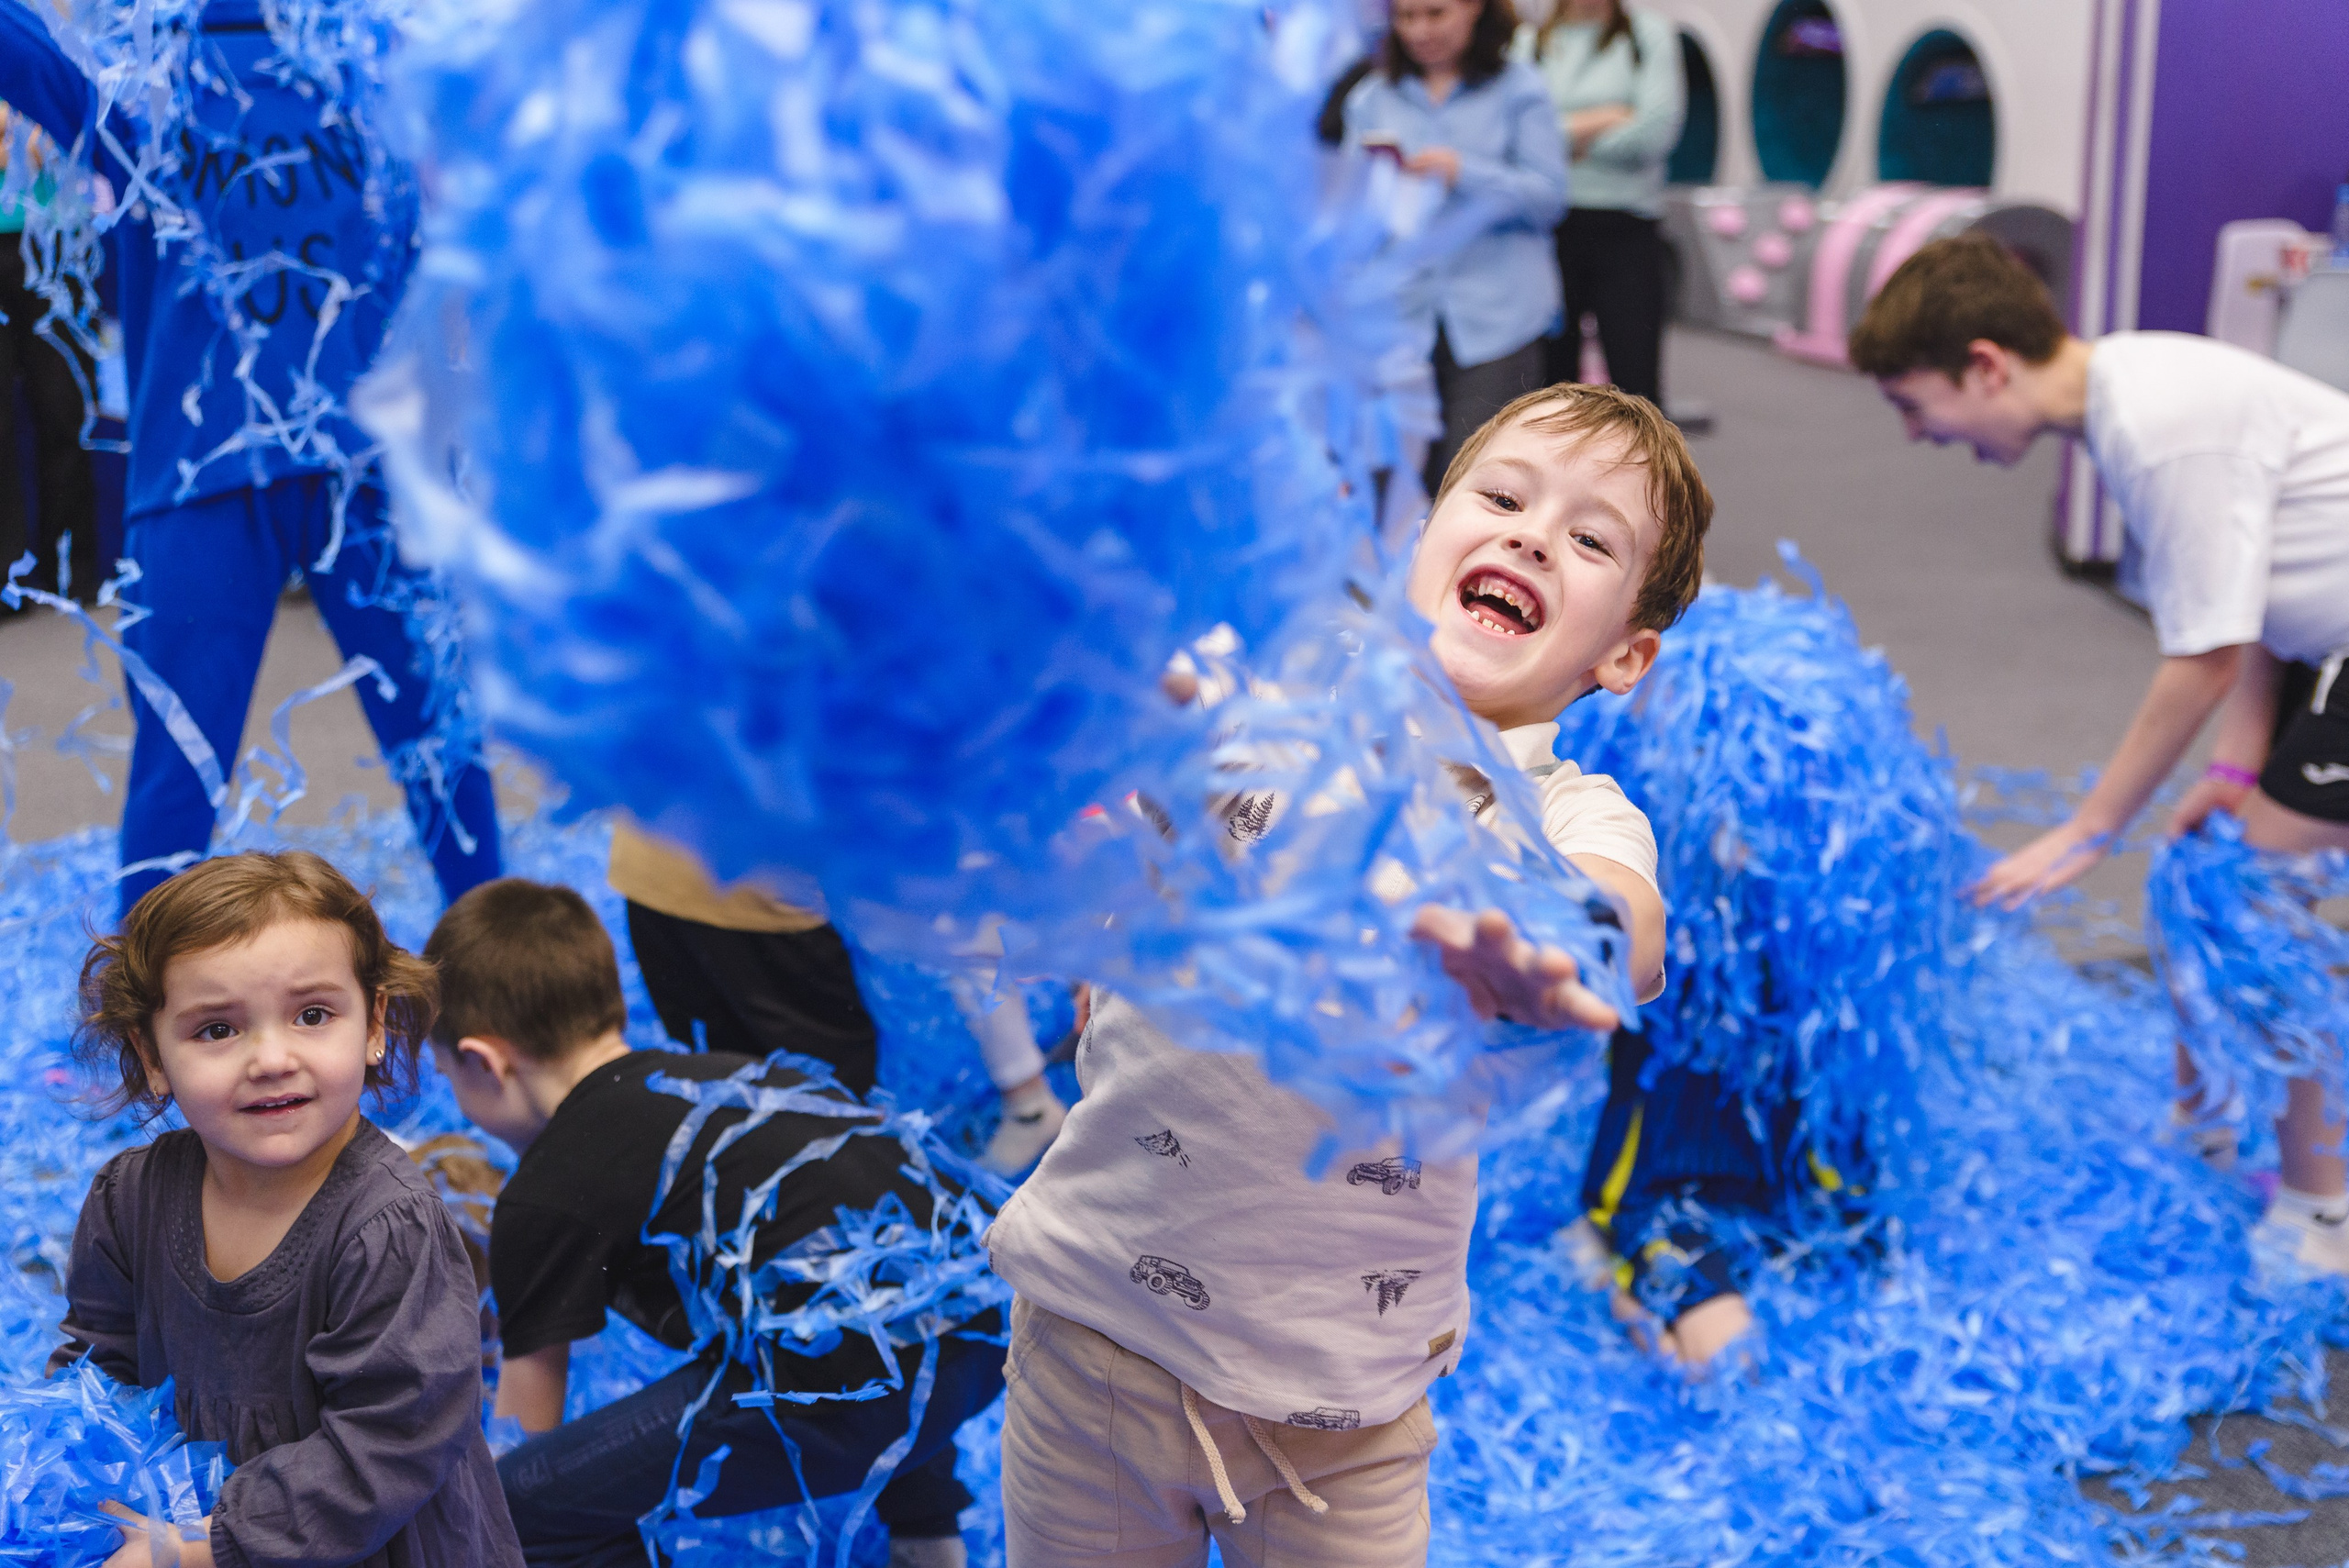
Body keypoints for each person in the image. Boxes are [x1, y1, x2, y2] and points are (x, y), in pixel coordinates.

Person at [986, 382, 1710, 1565]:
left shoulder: (1564, 815)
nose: (1532, 534)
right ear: (1421, 535)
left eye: (1590, 540)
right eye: (1503, 496)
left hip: (1349, 1411)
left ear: (1626, 652)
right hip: (1102, 1337)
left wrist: (1544, 940)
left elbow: (1626, 922)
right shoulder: (1258, 699)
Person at [1849, 233, 2349, 1268]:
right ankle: (2207, 1122)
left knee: (2256, 904)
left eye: (1914, 403)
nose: (1913, 434)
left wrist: (2087, 830)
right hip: (2317, 640)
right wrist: (2228, 772)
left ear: (1986, 365)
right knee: (2202, 870)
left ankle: (2321, 1204)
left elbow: (2202, 657)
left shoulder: (2155, 423)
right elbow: (2248, 608)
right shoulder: (2131, 401)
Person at [0, 2, 501, 915]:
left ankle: (148, 1012)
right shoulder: (156, 72)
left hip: (302, 471)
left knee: (191, 772)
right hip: (249, 472)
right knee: (435, 749)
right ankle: (506, 979)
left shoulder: (363, 69)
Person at [423, 878, 1007, 1568]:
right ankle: (929, 1537)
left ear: (483, 1061)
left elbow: (519, 1441)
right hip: (987, 1337)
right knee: (872, 1300)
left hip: (850, 1400)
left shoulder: (545, 1190)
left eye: (449, 1077)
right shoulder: (735, 1077)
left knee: (521, 1504)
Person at [57, 850, 522, 1568]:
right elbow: (98, 1362)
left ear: (372, 1025)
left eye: (312, 1014)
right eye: (218, 1029)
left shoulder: (385, 1228)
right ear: (152, 1057)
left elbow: (387, 1441)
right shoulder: (130, 1200)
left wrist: (202, 1549)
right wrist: (89, 1485)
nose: (271, 1057)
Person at [610, 819, 1069, 1172]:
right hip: (702, 877)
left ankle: (1027, 1099)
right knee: (754, 1089)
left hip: (712, 875)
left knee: (786, 1095)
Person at [1341, 0, 1572, 499]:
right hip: (1400, 314)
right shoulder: (1371, 98)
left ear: (1474, 10)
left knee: (1476, 482)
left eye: (1435, 13)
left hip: (1498, 315)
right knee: (1383, 478)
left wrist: (1463, 171)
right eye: (1406, 17)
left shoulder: (1520, 88)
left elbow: (1549, 199)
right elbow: (1350, 216)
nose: (1420, 30)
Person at [1516, 0, 1683, 406]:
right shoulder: (1529, 42)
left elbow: (1654, 134)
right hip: (1548, 228)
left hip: (1628, 226)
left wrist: (1558, 138)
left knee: (1638, 387)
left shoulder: (1649, 35)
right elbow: (1518, 137)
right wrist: (1606, 117)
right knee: (1550, 393)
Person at [0, 105, 100, 606]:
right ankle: (6, 580)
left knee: (67, 409)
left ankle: (71, 570)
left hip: (58, 235)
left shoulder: (42, 36)